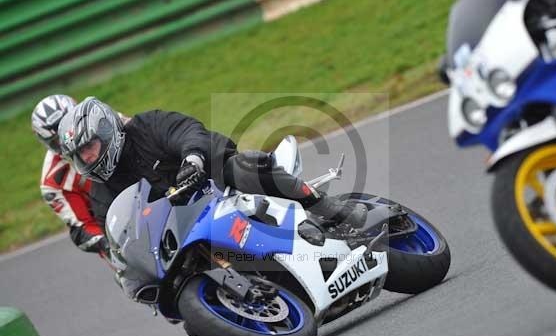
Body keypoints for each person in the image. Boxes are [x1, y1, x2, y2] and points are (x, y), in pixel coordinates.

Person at [57, 97, 367, 232]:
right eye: (80, 155)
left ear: (107, 130)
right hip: (182, 224)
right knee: (191, 324)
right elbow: (116, 230)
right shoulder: (101, 190)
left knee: (243, 168)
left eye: (90, 147)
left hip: (215, 182)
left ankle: (323, 205)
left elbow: (186, 131)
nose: (88, 158)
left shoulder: (147, 125)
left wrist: (192, 159)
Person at [32, 95, 109, 254]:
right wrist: (108, 243)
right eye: (58, 140)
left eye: (71, 127)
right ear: (47, 143)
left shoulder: (105, 121)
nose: (69, 141)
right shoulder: (52, 182)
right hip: (114, 229)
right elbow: (83, 227)